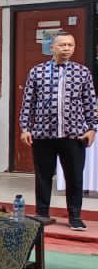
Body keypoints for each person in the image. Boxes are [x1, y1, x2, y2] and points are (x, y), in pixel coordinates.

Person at [18, 32, 97, 229]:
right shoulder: (37, 71)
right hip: (44, 133)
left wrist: (92, 128)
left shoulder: (83, 72)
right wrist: (25, 128)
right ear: (52, 47)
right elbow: (28, 102)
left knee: (74, 176)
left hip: (74, 134)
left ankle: (75, 216)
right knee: (43, 175)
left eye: (70, 44)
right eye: (62, 45)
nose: (66, 48)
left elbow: (90, 102)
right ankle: (42, 213)